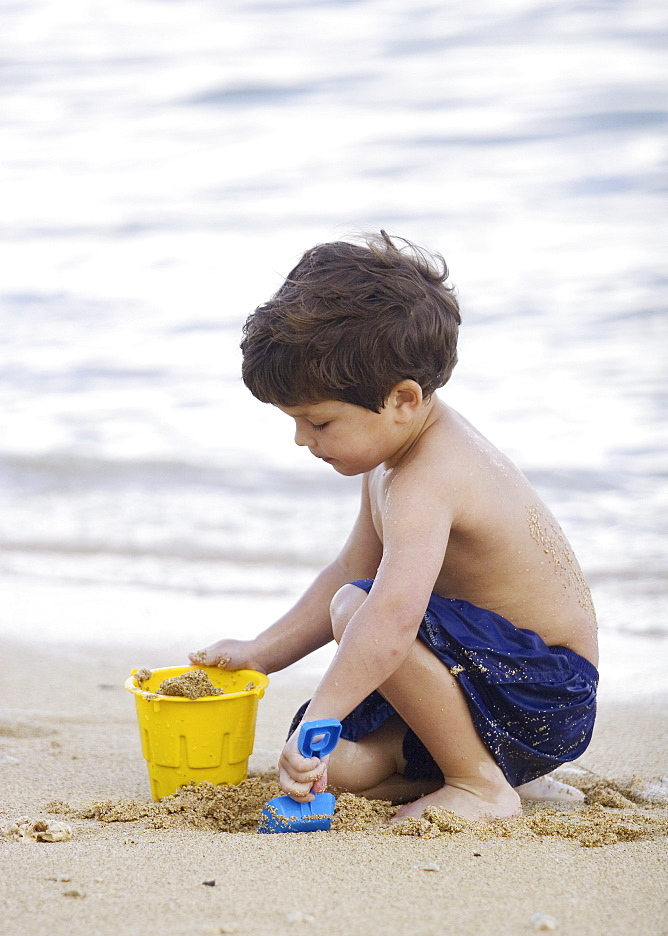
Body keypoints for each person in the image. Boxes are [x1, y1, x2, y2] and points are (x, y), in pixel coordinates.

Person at [190, 232, 598, 822]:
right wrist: (262, 654)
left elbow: (391, 612)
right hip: (479, 682)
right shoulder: (391, 456)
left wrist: (329, 709)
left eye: (319, 420)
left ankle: (479, 782)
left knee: (357, 617)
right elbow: (352, 568)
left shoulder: (430, 476)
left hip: (544, 692)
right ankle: (498, 770)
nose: (303, 440)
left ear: (402, 398)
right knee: (334, 762)